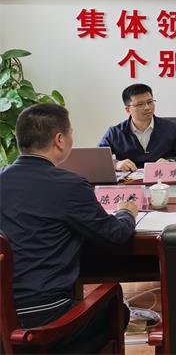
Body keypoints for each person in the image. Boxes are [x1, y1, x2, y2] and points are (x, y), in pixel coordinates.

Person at [0, 104, 137, 350]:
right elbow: (115, 236)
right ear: (60, 140)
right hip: (46, 320)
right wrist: (126, 212)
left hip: (3, 319)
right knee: (116, 307)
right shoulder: (68, 185)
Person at [99, 83, 176, 171]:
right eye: (140, 104)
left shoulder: (169, 128)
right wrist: (116, 164)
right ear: (128, 109)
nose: (147, 107)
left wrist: (170, 162)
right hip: (129, 181)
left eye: (150, 102)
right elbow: (98, 158)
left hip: (161, 178)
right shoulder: (115, 133)